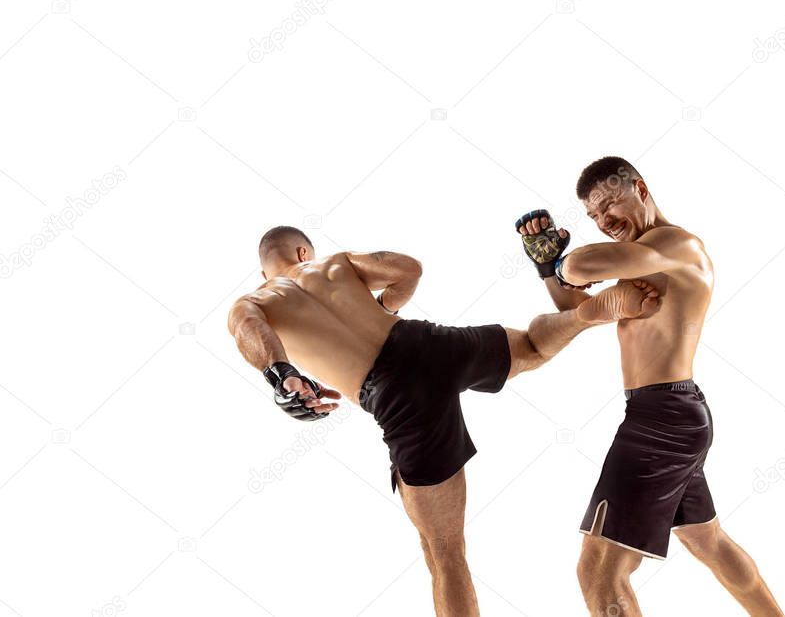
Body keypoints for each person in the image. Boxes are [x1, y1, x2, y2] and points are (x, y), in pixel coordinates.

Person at [227, 225, 660, 617]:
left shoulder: (256, 300)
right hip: (424, 341)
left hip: (395, 394)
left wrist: (281, 373)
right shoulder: (334, 264)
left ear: (266, 269)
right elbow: (408, 269)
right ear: (304, 251)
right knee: (531, 346)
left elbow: (249, 330)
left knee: (445, 551)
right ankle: (584, 315)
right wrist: (384, 308)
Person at [516, 156, 783, 616]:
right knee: (708, 542)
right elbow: (578, 305)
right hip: (671, 415)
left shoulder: (674, 244)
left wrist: (562, 261)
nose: (604, 221)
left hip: (662, 422)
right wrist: (548, 270)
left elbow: (582, 265)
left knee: (597, 571)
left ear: (639, 188)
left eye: (609, 205)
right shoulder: (642, 255)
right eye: (594, 217)